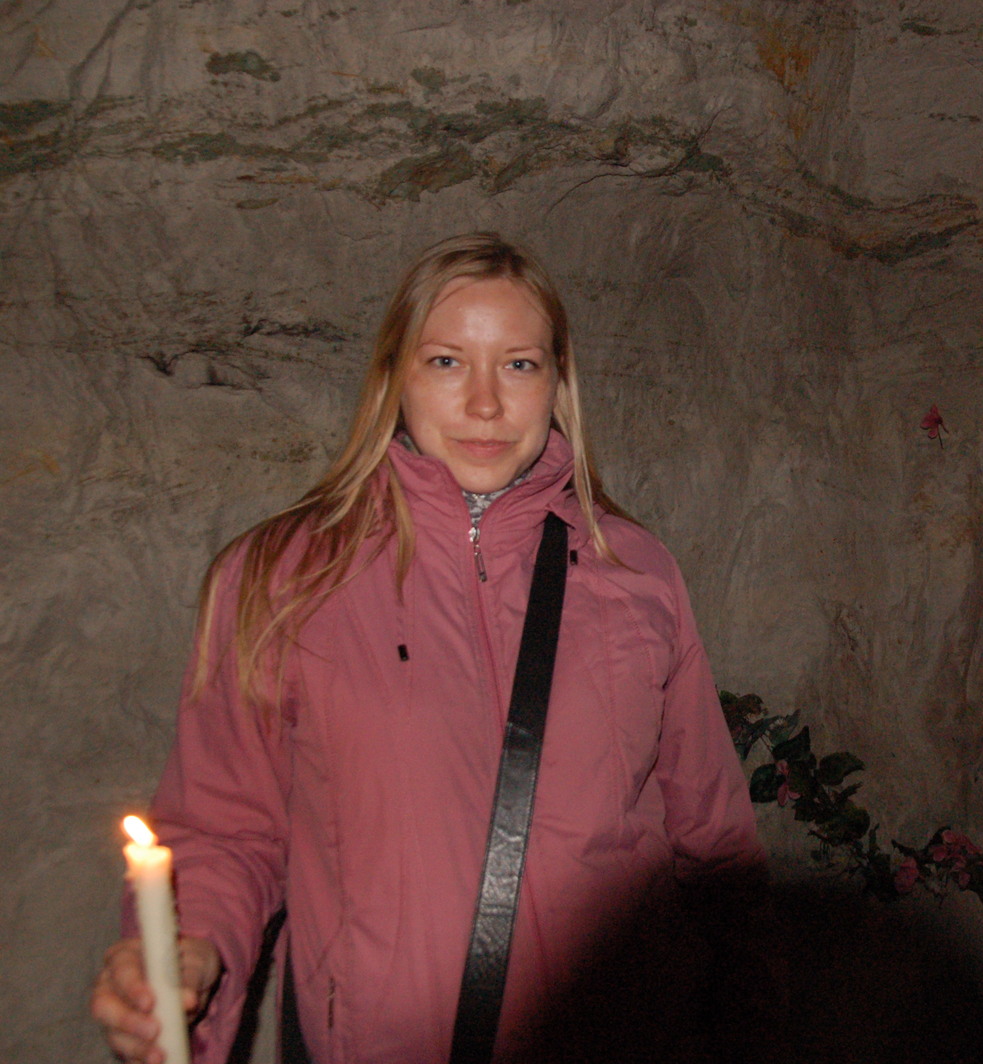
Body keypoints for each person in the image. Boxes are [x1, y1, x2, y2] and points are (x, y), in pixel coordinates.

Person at [90, 232, 766, 1064]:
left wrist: (750, 1016)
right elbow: (226, 827)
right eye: (447, 362)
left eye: (518, 365)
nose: (485, 404)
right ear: (393, 378)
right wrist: (189, 953)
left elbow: (713, 839)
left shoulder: (636, 574)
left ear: (558, 384)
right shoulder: (284, 577)